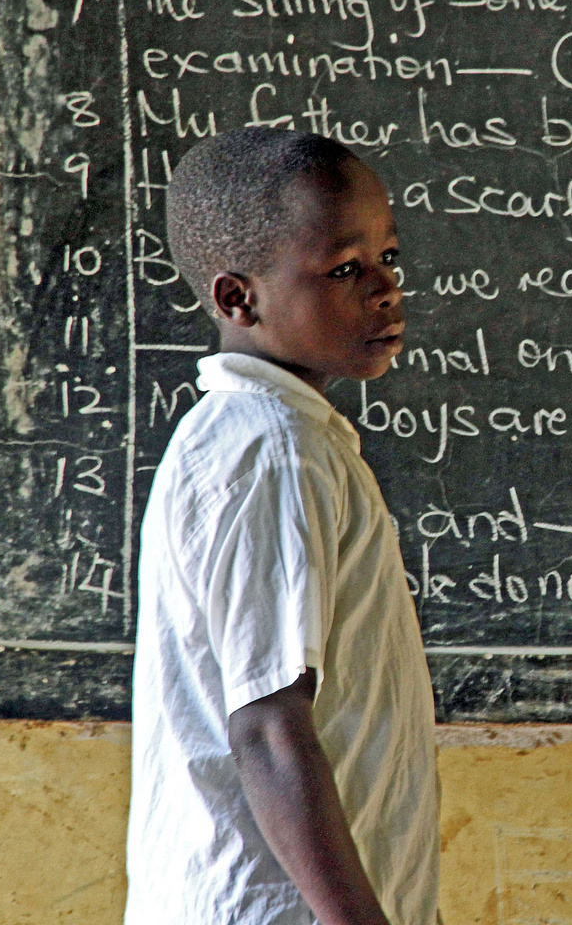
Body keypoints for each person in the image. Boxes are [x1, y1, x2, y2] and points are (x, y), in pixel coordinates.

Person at [125, 128, 437, 925]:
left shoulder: (266, 437)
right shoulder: (273, 451)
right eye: (343, 269)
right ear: (239, 299)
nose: (384, 289)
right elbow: (267, 728)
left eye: (387, 259)